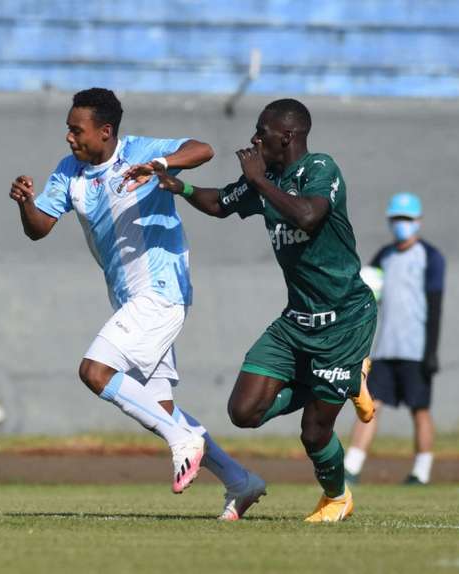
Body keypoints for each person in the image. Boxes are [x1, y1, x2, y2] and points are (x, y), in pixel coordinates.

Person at [9, 87, 266, 520]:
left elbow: (202, 149)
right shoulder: (69, 172)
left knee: (95, 371)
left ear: (105, 131)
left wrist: (162, 166)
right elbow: (39, 229)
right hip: (129, 300)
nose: (69, 138)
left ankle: (182, 441)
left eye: (77, 130)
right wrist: (26, 204)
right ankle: (240, 481)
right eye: (68, 130)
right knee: (160, 407)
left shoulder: (141, 152)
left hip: (162, 292)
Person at [146, 98, 377, 522]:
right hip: (296, 321)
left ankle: (337, 497)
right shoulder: (263, 178)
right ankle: (348, 381)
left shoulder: (321, 169)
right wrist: (183, 188)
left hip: (344, 320)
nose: (254, 138)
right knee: (243, 412)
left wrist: (259, 181)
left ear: (286, 136)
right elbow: (219, 204)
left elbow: (307, 216)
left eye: (262, 131)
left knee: (313, 432)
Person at [344, 192, 445, 485]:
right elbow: (367, 299)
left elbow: (435, 307)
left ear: (418, 222)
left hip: (416, 350)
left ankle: (421, 472)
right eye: (397, 219)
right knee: (370, 406)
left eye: (407, 219)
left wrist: (431, 351)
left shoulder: (431, 257)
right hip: (386, 349)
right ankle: (351, 467)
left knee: (420, 410)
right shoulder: (383, 257)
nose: (401, 224)